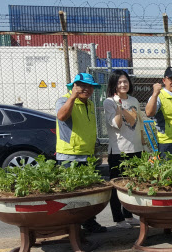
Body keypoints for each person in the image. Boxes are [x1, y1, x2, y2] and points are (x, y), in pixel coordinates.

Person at [55, 73, 106, 233]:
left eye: (90, 86)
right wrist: (73, 97)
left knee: (88, 192)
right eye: (82, 85)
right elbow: (62, 116)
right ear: (74, 86)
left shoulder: (89, 104)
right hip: (70, 155)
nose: (87, 89)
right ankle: (71, 225)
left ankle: (89, 222)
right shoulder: (64, 100)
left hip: (87, 154)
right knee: (71, 193)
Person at [103, 70, 143, 229]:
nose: (123, 84)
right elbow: (117, 124)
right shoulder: (109, 102)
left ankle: (129, 215)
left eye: (125, 81)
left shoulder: (134, 100)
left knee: (133, 184)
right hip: (119, 151)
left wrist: (144, 144)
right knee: (117, 185)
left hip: (136, 149)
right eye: (119, 82)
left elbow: (138, 123)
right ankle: (118, 218)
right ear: (114, 84)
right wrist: (119, 106)